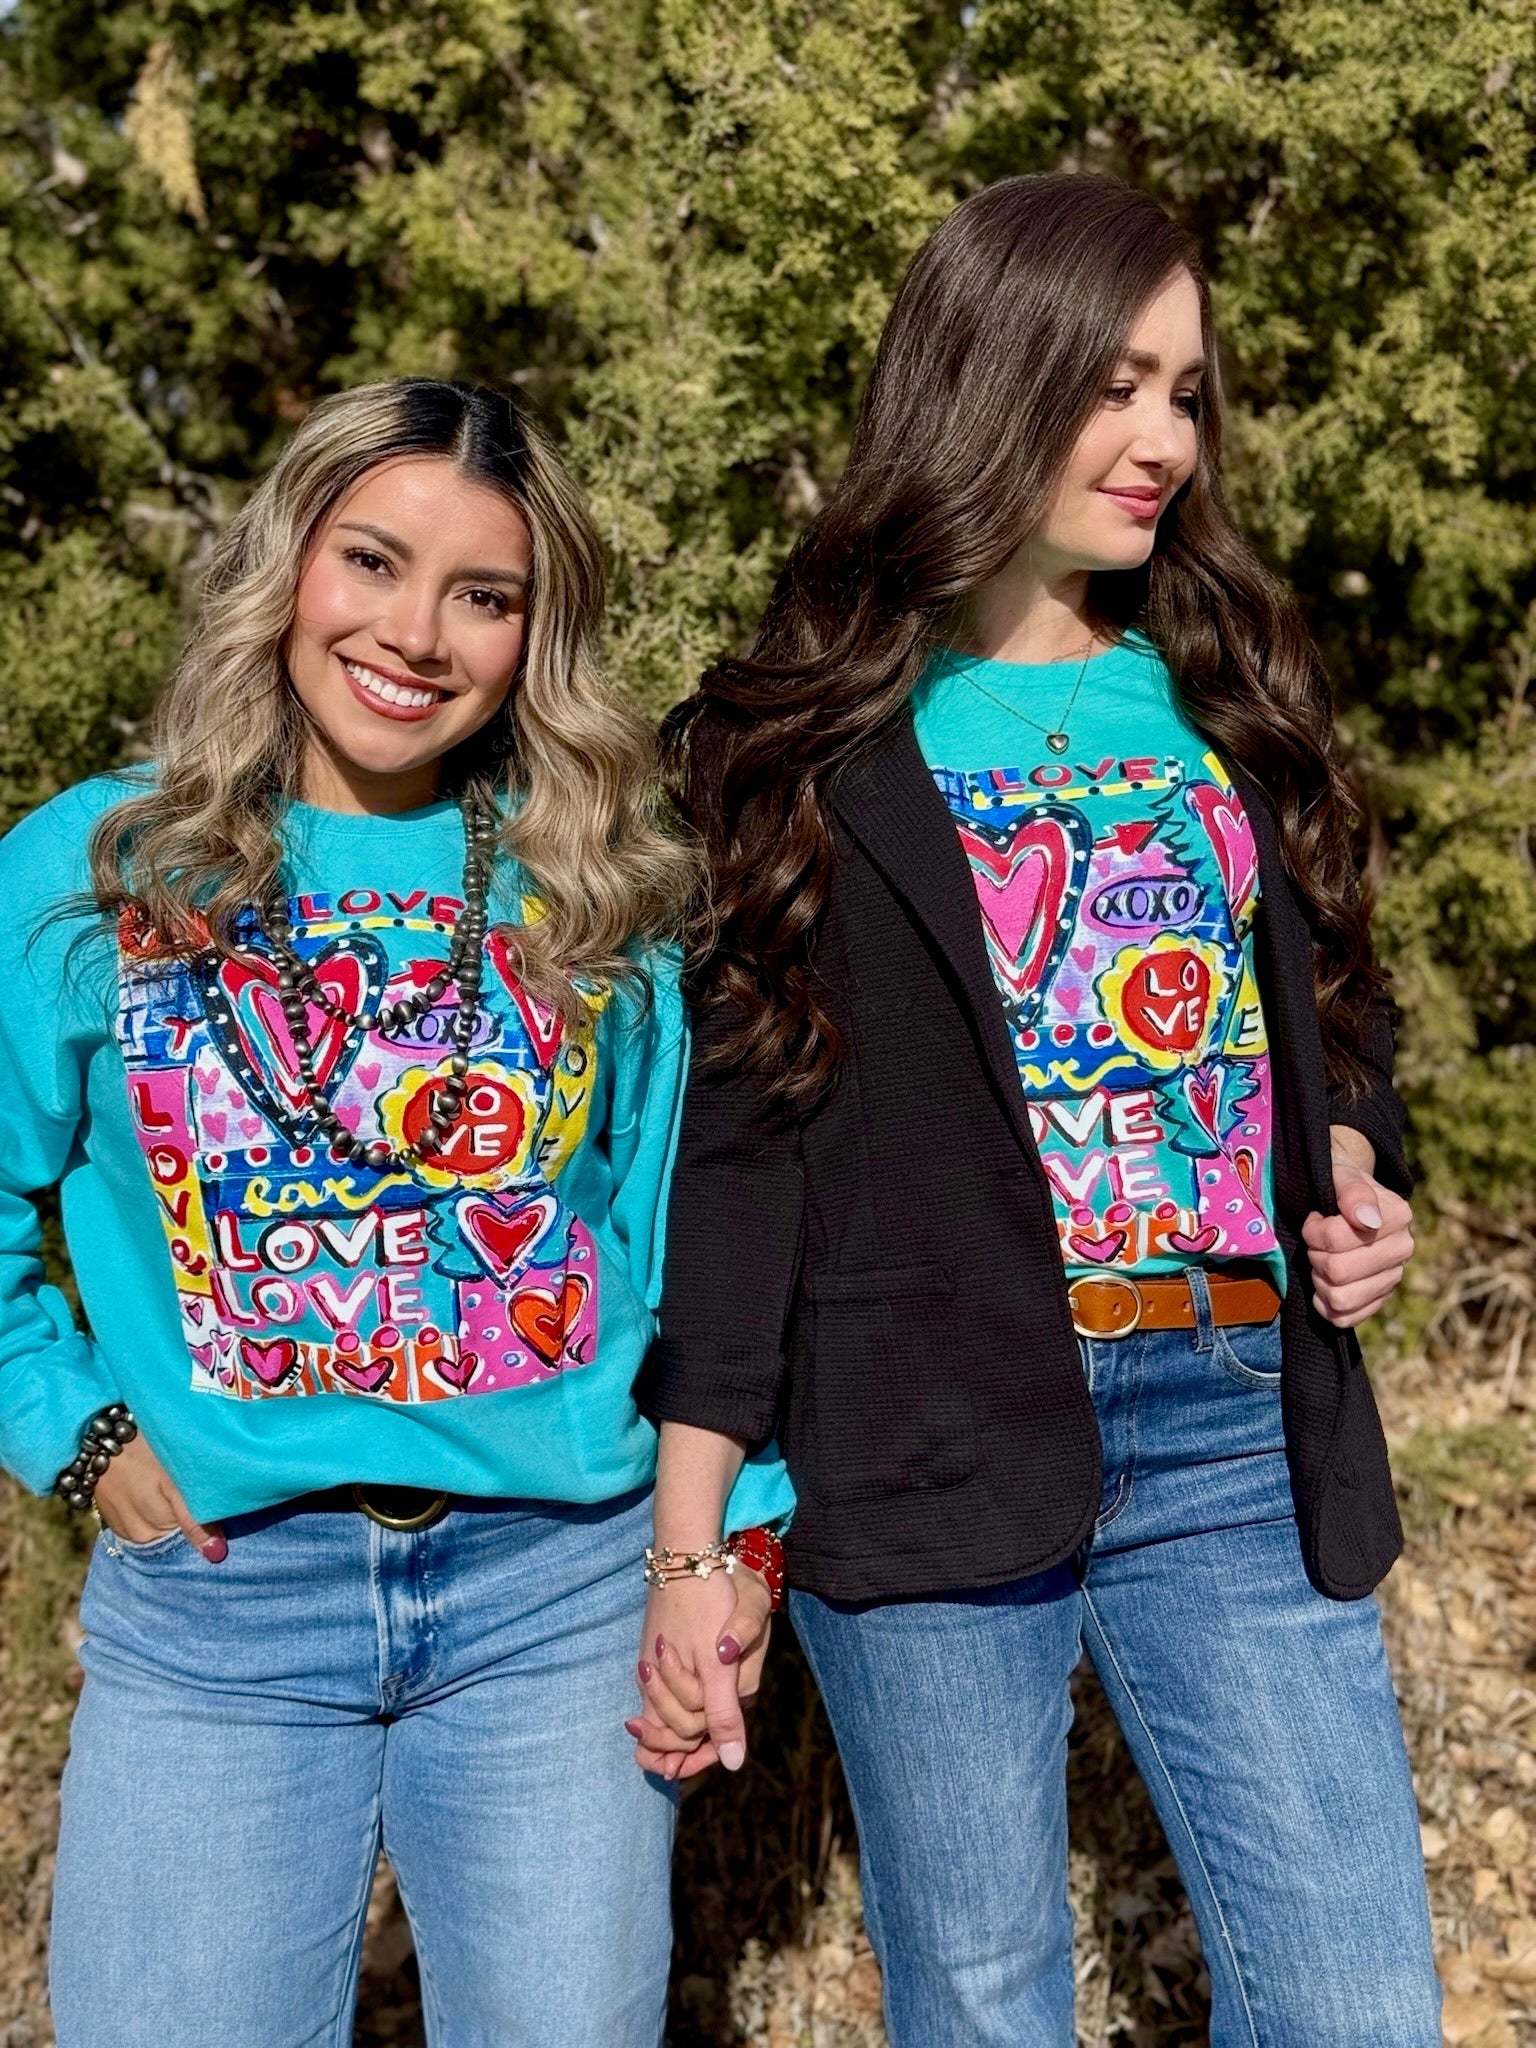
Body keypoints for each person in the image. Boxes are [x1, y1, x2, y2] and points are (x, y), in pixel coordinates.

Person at [632, 176, 1441, 2046]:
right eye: (1115, 385)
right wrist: (693, 1547)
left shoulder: (1228, 690)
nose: (1165, 441)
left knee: (1358, 2006)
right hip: (923, 1416)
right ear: (989, 377)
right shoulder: (801, 738)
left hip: (1239, 1410)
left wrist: (1349, 1155)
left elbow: (1335, 1005)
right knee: (985, 2003)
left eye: (1187, 393)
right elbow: (742, 1163)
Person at [0, 378, 788, 2048]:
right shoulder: (96, 866)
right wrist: (75, 1433)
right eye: (372, 560)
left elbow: (692, 1253)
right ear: (287, 563)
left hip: (555, 1597)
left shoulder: (600, 891)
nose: (416, 635)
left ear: (533, 636)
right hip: (224, 1601)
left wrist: (732, 1547)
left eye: (483, 596)